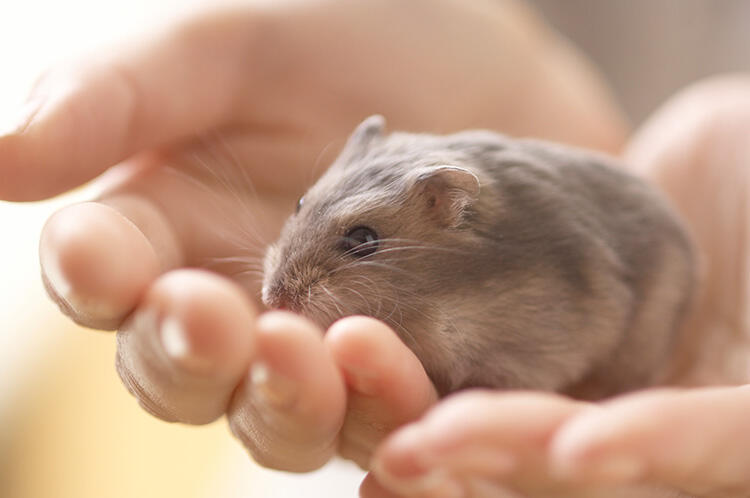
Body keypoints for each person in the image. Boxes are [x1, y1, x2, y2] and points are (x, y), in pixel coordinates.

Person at [1, 1, 748, 496]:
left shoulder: (514, 278)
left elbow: (575, 323)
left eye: (360, 240)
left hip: (654, 276)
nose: (284, 272)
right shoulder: (399, 200)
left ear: (448, 207)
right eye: (302, 211)